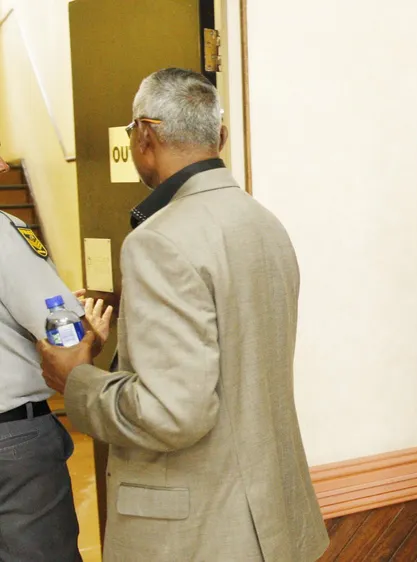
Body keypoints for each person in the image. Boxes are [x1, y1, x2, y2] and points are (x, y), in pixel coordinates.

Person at [36, 68, 329, 562]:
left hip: (199, 534)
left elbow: (173, 413)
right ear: (221, 137)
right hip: (270, 521)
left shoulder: (158, 240)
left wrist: (77, 380)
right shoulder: (264, 223)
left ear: (144, 136)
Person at [0, 188, 104, 561]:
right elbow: (65, 338)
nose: (2, 165)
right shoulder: (4, 233)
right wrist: (91, 337)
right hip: (11, 440)